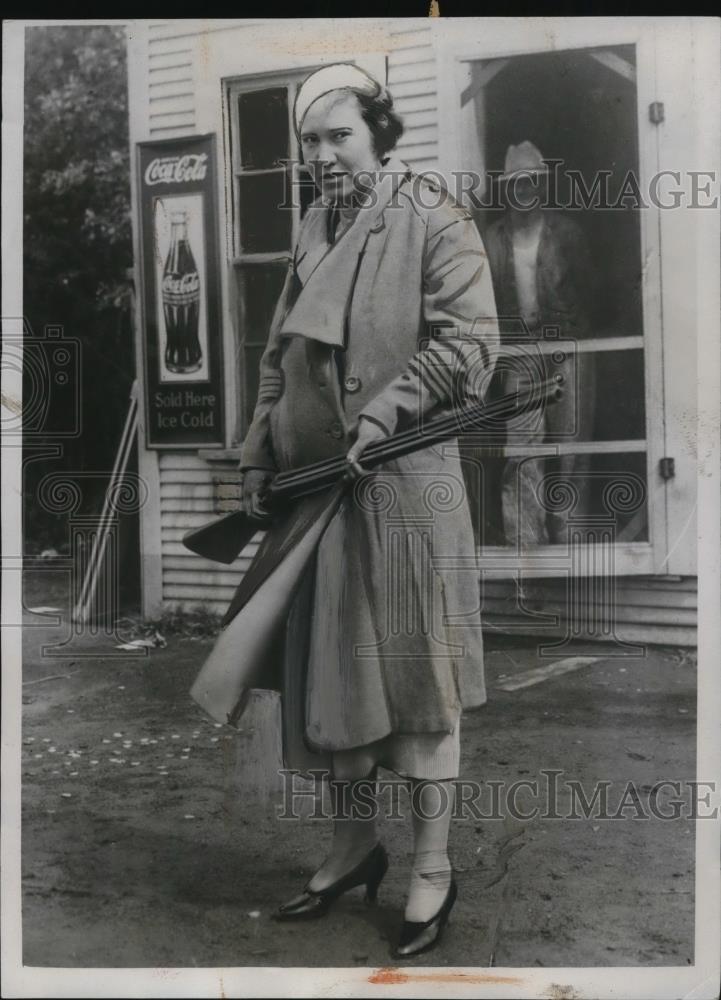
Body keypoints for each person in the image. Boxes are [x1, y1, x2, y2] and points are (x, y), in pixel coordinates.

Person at [237, 63, 499, 957]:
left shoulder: (432, 211)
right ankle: (353, 849)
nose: (322, 155)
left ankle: (431, 866)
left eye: (338, 135)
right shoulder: (314, 224)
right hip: (318, 496)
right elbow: (280, 355)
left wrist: (384, 411)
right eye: (310, 141)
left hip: (404, 490)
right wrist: (257, 449)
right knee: (331, 685)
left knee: (418, 686)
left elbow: (470, 346)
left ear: (380, 134)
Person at [484, 141, 597, 553]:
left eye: (532, 182)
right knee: (522, 450)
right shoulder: (492, 238)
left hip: (566, 346)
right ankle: (526, 549)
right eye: (516, 183)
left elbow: (590, 290)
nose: (525, 190)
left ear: (543, 184)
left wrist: (575, 333)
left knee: (573, 446)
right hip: (519, 351)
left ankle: (571, 542)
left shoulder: (567, 233)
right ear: (506, 188)